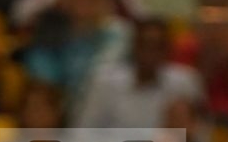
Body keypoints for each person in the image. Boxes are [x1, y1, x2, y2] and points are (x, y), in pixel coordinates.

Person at [74, 17, 203, 131]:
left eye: (158, 47)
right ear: (134, 47)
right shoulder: (105, 82)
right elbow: (84, 132)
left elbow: (197, 131)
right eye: (145, 45)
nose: (150, 53)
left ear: (167, 50)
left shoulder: (185, 82)